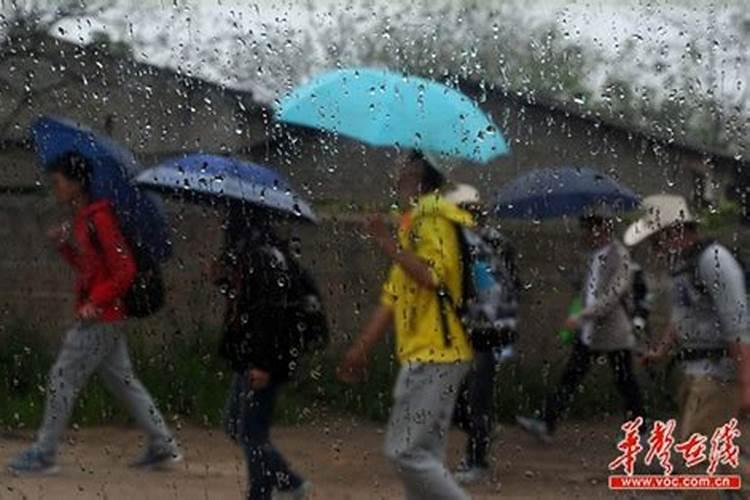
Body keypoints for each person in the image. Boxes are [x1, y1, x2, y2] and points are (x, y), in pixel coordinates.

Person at [8, 153, 180, 474]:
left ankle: (44, 454)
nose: (54, 188)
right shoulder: (85, 217)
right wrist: (65, 248)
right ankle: (163, 446)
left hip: (101, 318)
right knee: (124, 382)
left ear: (76, 184)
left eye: (58, 181)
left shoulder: (100, 218)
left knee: (61, 378)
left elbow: (124, 270)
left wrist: (96, 302)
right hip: (103, 314)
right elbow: (92, 270)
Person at [338, 151, 473, 500]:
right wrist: (361, 348)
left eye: (404, 165)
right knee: (424, 458)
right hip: (426, 353)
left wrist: (386, 242)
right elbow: (393, 298)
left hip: (438, 351)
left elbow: (432, 277)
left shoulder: (434, 217)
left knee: (404, 453)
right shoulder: (413, 224)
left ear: (418, 173)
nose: (396, 173)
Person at [632, 195, 750, 496]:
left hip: (718, 375)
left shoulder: (714, 261)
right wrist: (661, 350)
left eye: (657, 240)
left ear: (675, 232)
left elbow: (738, 325)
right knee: (723, 458)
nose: (655, 249)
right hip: (694, 373)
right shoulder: (683, 268)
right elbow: (681, 317)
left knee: (696, 461)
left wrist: (746, 382)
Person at [215, 205, 316, 500]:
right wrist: (223, 280)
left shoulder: (261, 255)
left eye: (226, 216)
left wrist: (262, 364)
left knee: (250, 430)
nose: (222, 222)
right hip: (256, 355)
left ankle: (267, 491)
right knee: (237, 425)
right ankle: (287, 482)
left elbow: (267, 314)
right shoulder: (257, 251)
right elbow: (248, 301)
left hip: (264, 358)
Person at [516, 213, 645, 442]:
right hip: (590, 331)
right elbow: (588, 289)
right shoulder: (593, 257)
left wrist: (584, 314)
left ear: (603, 229)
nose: (586, 235)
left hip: (613, 331)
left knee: (625, 382)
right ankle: (546, 423)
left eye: (590, 229)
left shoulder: (619, 255)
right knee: (571, 377)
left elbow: (614, 294)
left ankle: (640, 431)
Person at [444, 184, 520, 485]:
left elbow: (476, 288)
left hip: (483, 328)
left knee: (476, 395)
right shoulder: (497, 241)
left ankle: (477, 460)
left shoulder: (471, 244)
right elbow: (515, 288)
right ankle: (482, 431)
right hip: (494, 327)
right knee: (468, 394)